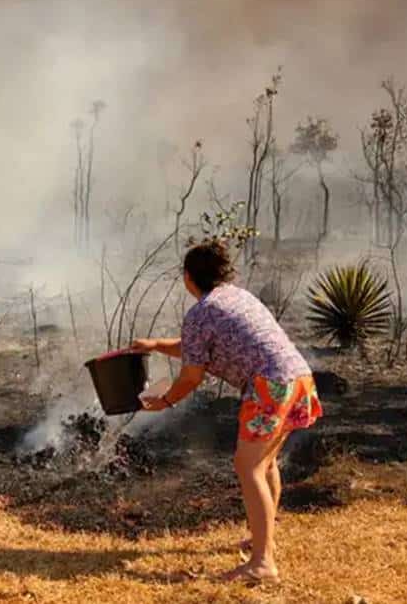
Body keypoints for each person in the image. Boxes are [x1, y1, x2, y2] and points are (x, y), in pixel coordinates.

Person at [132, 239, 322, 583]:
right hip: (298, 378)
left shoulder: (200, 312)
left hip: (270, 386)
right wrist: (157, 345)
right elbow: (197, 348)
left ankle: (263, 563)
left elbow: (192, 375)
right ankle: (262, 539)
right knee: (264, 464)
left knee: (247, 465)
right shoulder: (238, 297)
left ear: (189, 278)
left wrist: (164, 401)